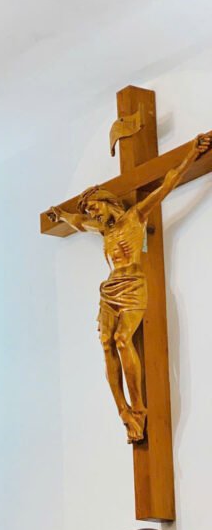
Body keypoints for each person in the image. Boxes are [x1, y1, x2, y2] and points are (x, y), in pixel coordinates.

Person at [46, 131, 211, 444]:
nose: (92, 213)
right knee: (106, 343)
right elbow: (77, 223)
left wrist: (192, 154)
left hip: (133, 284)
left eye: (94, 207)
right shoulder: (102, 229)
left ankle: (138, 408)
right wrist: (61, 214)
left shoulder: (136, 216)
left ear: (107, 201)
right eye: (89, 210)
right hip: (109, 290)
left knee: (123, 339)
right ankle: (122, 409)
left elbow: (168, 183)